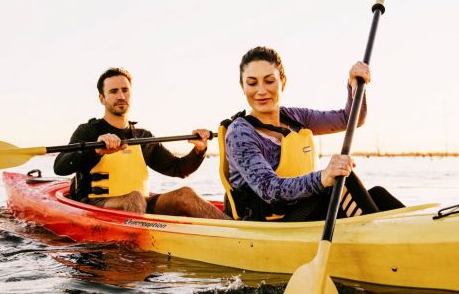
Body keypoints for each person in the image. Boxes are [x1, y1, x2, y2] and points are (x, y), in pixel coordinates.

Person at [219, 46, 403, 221]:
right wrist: (324, 176)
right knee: (344, 180)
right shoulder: (240, 133)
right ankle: (387, 243)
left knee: (378, 194)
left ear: (283, 81)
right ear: (243, 86)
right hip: (271, 222)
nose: (261, 91)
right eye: (252, 83)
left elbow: (350, 119)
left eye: (269, 81)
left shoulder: (296, 117)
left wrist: (355, 86)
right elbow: (268, 189)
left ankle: (417, 234)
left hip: (303, 209)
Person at [54, 67, 227, 219]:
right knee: (135, 198)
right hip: (96, 205)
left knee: (185, 194)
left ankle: (235, 230)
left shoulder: (142, 136)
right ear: (102, 98)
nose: (121, 96)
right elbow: (60, 166)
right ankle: (141, 249)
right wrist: (96, 151)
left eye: (125, 90)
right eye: (113, 91)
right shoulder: (89, 131)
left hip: (140, 205)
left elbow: (179, 169)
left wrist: (199, 149)